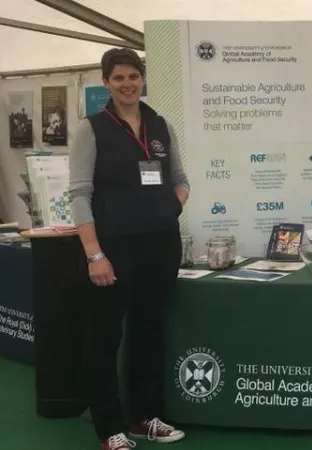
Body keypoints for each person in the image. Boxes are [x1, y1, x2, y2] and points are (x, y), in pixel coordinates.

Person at [68, 48, 189, 450]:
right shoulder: (92, 128)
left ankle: (145, 417)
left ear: (142, 79)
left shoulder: (158, 124)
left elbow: (180, 176)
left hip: (160, 244)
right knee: (104, 339)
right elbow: (79, 194)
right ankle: (108, 428)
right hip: (113, 248)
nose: (127, 84)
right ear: (106, 82)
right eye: (118, 78)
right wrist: (94, 254)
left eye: (133, 76)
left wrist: (173, 204)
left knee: (149, 332)